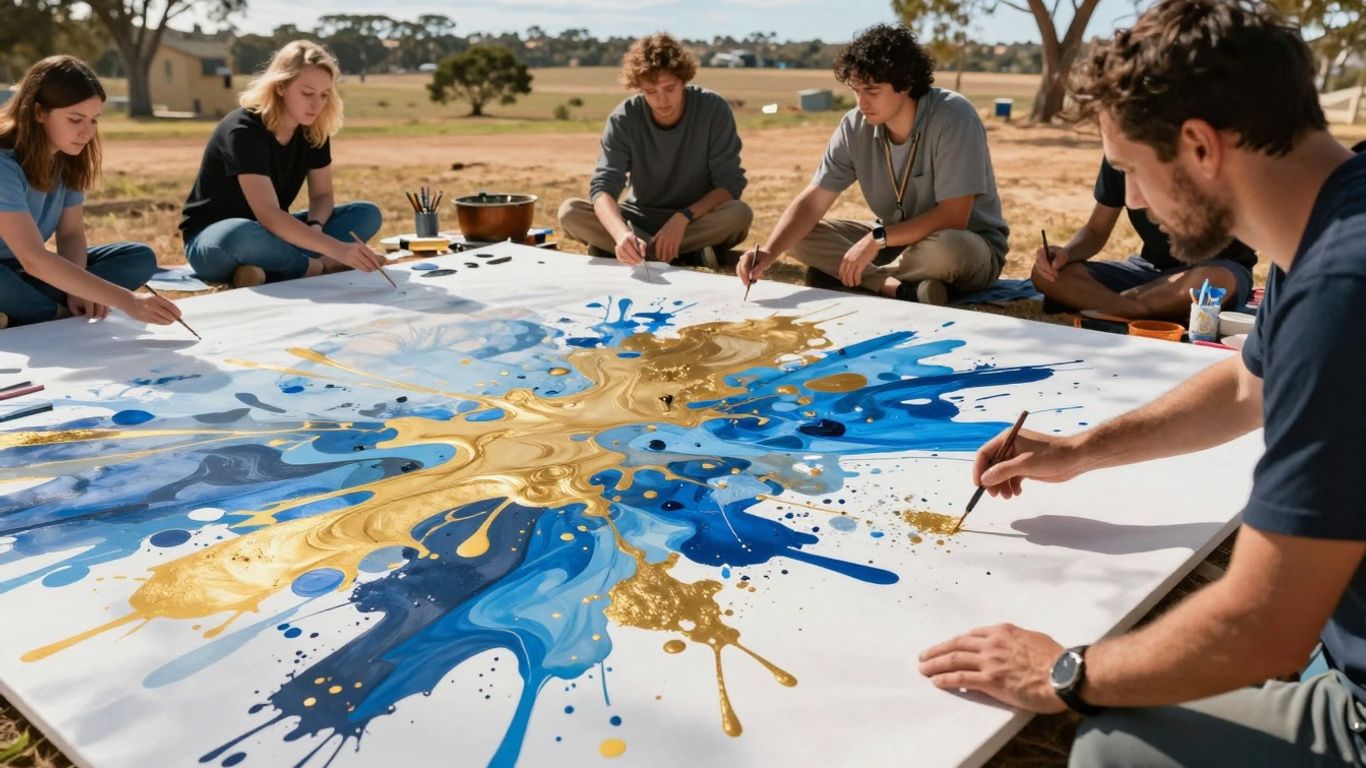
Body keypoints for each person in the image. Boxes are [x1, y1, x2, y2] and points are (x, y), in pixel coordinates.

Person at [917, 2, 1366, 766]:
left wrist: (1063, 671)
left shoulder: (1342, 290)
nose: (1130, 201)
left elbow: (1264, 625)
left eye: (1128, 170)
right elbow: (1242, 389)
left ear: (1198, 145)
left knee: (1112, 747)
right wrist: (1083, 450)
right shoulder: (1331, 218)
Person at [737, 24, 1008, 305]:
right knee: (797, 236)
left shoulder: (954, 117)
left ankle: (850, 276)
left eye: (872, 90)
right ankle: (893, 287)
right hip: (895, 242)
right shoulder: (854, 126)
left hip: (967, 243)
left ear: (906, 84)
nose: (861, 102)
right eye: (856, 90)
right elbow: (814, 201)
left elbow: (954, 217)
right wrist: (768, 252)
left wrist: (876, 239)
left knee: (947, 251)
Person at [180, 41, 383, 288]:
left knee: (366, 214)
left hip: (273, 233)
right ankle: (316, 266)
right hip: (216, 240)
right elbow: (268, 214)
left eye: (324, 95)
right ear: (280, 87)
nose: (316, 105)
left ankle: (263, 269)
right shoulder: (243, 129)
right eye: (307, 93)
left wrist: (315, 228)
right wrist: (336, 252)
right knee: (242, 234)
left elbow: (322, 195)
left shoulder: (314, 130)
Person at [0, 55, 179, 330]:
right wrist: (127, 301)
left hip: (24, 272)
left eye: (94, 120)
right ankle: (53, 314)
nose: (87, 132)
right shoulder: (4, 165)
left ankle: (22, 310)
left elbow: (71, 234)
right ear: (38, 112)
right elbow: (33, 257)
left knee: (138, 258)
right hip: (19, 269)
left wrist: (80, 286)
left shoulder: (67, 157)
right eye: (75, 119)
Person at [557, 33, 752, 269]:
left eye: (670, 88)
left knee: (739, 214)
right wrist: (620, 234)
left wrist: (682, 218)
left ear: (683, 79)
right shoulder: (624, 117)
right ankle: (684, 254)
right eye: (651, 92)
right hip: (637, 218)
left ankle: (627, 252)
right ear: (638, 88)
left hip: (696, 218)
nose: (662, 100)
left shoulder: (714, 109)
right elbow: (603, 186)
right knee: (569, 212)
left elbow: (730, 184)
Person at [1033, 156, 1257, 319]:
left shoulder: (1201, 154)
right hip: (1147, 272)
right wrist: (1066, 254)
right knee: (1047, 275)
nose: (1136, 199)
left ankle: (1117, 307)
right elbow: (1095, 231)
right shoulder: (1119, 154)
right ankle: (1134, 308)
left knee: (1213, 281)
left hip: (1217, 268)